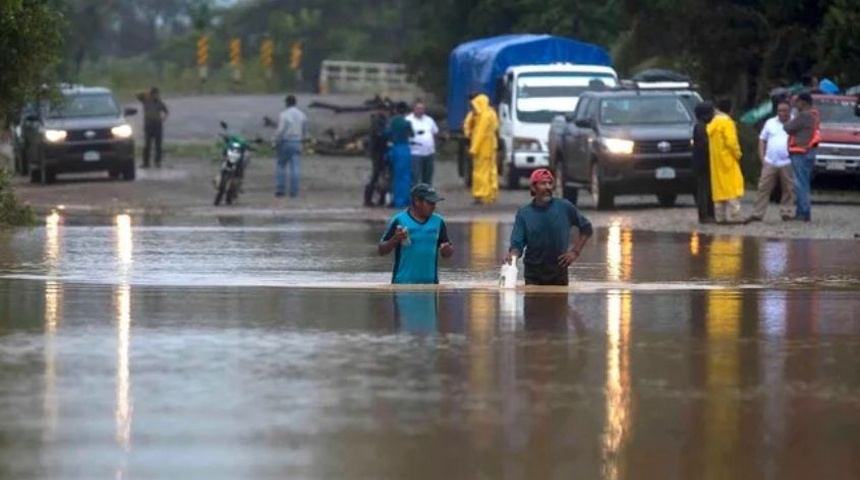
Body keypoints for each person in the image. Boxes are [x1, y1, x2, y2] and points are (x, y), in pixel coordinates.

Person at [503, 169, 593, 286]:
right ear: (533, 188)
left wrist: (575, 252)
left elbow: (586, 228)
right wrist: (512, 257)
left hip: (559, 272)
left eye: (550, 183)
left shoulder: (565, 207)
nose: (548, 187)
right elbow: (517, 245)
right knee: (533, 302)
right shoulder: (524, 214)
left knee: (559, 304)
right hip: (533, 274)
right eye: (543, 183)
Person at [378, 183, 454, 284]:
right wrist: (395, 239)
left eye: (434, 203)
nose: (433, 206)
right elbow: (381, 250)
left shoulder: (438, 222)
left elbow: (447, 252)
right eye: (430, 203)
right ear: (417, 201)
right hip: (402, 285)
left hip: (431, 287)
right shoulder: (399, 220)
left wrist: (447, 250)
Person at [746, 100, 795, 222]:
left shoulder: (795, 122)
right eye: (779, 110)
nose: (782, 113)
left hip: (787, 161)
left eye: (784, 110)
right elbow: (762, 140)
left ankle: (786, 212)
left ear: (790, 111)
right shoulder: (770, 123)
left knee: (788, 188)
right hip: (770, 160)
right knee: (763, 187)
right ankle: (757, 213)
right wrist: (763, 158)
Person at [783, 91, 820, 222]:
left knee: (800, 184)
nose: (796, 104)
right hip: (808, 152)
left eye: (798, 102)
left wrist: (792, 116)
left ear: (803, 103)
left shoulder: (804, 115)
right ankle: (802, 212)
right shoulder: (814, 115)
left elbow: (787, 127)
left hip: (801, 153)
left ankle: (803, 213)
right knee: (802, 183)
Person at [706, 105, 745, 224]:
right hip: (728, 160)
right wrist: (738, 154)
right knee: (732, 187)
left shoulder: (711, 125)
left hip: (716, 162)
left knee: (719, 190)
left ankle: (720, 216)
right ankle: (734, 216)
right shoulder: (727, 123)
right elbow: (731, 142)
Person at [272, 94, 308, 198]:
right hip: (297, 141)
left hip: (286, 141)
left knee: (281, 165)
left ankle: (280, 189)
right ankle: (294, 191)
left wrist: (275, 140)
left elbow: (281, 130)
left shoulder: (284, 114)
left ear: (286, 103)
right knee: (295, 167)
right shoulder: (302, 115)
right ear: (295, 103)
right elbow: (305, 129)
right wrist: (303, 139)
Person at [469, 93, 499, 204]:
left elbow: (479, 134)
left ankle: (481, 195)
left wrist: (473, 149)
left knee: (480, 172)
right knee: (491, 171)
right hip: (491, 147)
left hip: (483, 148)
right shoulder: (492, 113)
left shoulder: (484, 116)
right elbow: (496, 126)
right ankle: (491, 194)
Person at [385, 101, 414, 208]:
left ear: (396, 110)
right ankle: (406, 199)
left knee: (396, 176)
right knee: (406, 176)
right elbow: (412, 134)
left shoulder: (392, 122)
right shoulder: (407, 123)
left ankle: (397, 200)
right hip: (405, 149)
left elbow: (386, 133)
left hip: (395, 148)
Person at [405, 100, 439, 185]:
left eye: (422, 109)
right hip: (415, 153)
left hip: (429, 153)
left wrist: (433, 146)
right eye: (418, 108)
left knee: (427, 178)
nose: (420, 110)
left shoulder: (429, 120)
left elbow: (435, 133)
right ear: (414, 109)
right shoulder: (408, 120)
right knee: (415, 177)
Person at [692, 102, 715, 223]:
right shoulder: (701, 127)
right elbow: (704, 145)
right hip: (703, 163)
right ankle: (704, 215)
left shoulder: (701, 125)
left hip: (702, 162)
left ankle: (709, 213)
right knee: (704, 189)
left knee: (707, 189)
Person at [363, 103, 390, 207]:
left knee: (383, 175)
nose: (386, 112)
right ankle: (368, 199)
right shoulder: (376, 121)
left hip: (382, 151)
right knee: (375, 175)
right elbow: (380, 134)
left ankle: (381, 198)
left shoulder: (384, 121)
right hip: (377, 152)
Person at [135, 87, 169, 168]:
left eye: (158, 94)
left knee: (158, 145)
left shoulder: (159, 102)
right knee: (147, 145)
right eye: (156, 94)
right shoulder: (146, 100)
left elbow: (166, 112)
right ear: (152, 94)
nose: (157, 96)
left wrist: (163, 119)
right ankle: (146, 163)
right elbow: (137, 94)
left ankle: (157, 162)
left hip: (157, 125)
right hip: (149, 125)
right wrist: (147, 93)